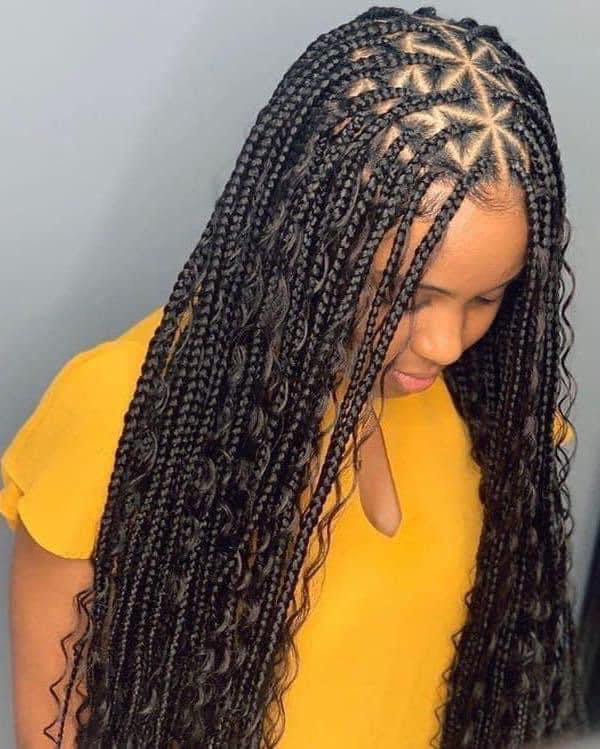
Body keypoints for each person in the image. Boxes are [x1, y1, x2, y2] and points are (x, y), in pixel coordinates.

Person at [0, 5, 588, 747]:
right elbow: (57, 729)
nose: (446, 344)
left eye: (486, 298)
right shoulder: (122, 415)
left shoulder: (491, 406)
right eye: (407, 296)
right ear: (313, 244)